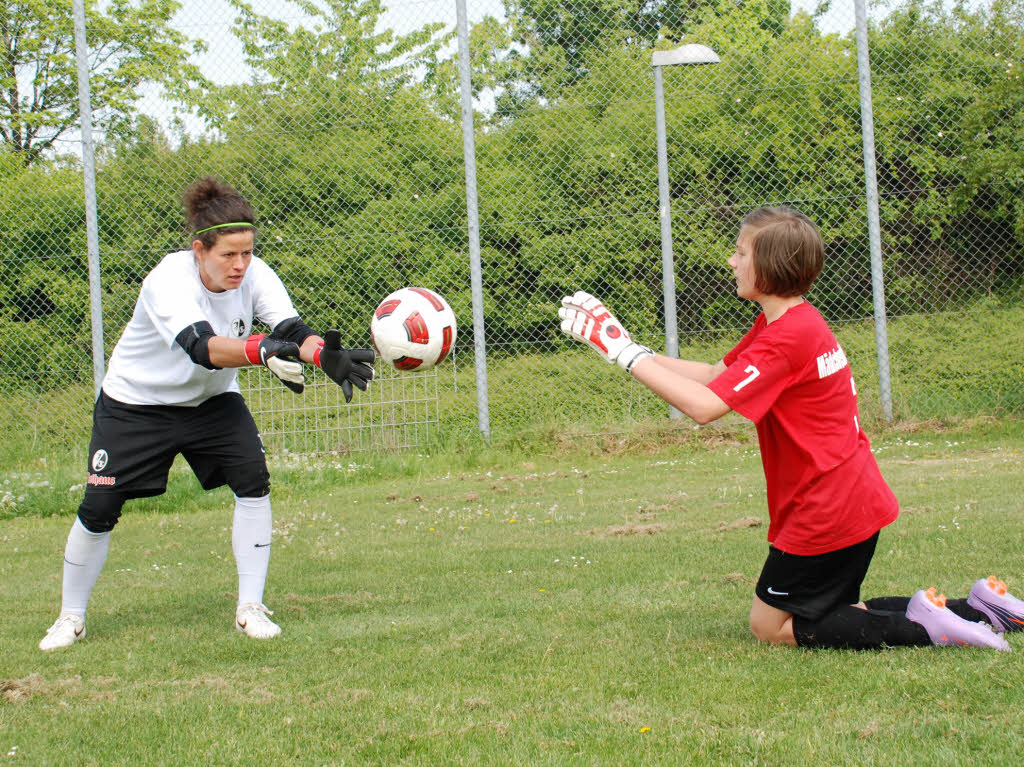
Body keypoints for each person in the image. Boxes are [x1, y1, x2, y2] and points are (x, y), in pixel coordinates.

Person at [558, 206, 1024, 651]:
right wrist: (625, 347)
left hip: (826, 510)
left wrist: (624, 354)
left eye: (741, 253)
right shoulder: (785, 322)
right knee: (832, 611)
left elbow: (703, 406)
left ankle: (928, 629)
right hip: (846, 499)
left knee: (773, 627)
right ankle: (979, 609)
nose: (731, 260)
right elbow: (712, 376)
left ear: (770, 266)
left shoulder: (787, 337)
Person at [39, 177, 375, 650]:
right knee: (99, 509)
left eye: (247, 253)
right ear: (200, 249)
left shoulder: (255, 274)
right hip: (137, 404)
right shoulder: (167, 280)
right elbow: (203, 347)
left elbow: (291, 329)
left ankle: (251, 608)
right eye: (228, 255)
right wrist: (263, 350)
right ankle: (69, 618)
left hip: (211, 403)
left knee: (253, 482)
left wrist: (323, 355)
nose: (240, 265)